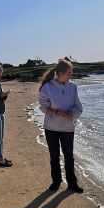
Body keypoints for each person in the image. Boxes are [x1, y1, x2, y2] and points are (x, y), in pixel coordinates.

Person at [38, 58, 84, 192]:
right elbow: (43, 107)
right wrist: (58, 112)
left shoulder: (73, 87)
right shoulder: (48, 87)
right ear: (59, 73)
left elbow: (78, 107)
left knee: (69, 156)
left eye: (71, 73)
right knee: (54, 156)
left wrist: (72, 113)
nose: (71, 76)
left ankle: (72, 183)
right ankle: (56, 181)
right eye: (68, 73)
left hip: (68, 128)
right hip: (51, 128)